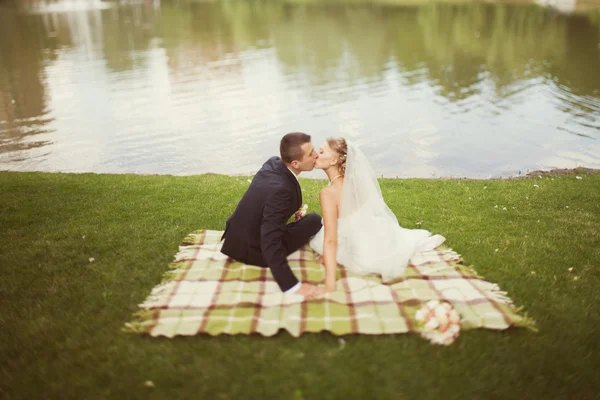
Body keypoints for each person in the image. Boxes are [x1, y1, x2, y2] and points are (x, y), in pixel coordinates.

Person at [309, 138, 446, 291]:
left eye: (321, 152)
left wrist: (330, 283)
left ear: (334, 160)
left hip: (362, 251)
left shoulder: (328, 193)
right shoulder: (354, 183)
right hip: (375, 233)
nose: (315, 154)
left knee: (324, 237)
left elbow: (331, 240)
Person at [221, 132, 326, 298]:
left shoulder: (274, 162)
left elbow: (262, 198)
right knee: (313, 220)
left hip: (234, 238)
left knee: (310, 220)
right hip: (253, 250)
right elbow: (270, 240)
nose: (316, 155)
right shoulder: (282, 191)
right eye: (310, 153)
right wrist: (292, 286)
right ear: (296, 163)